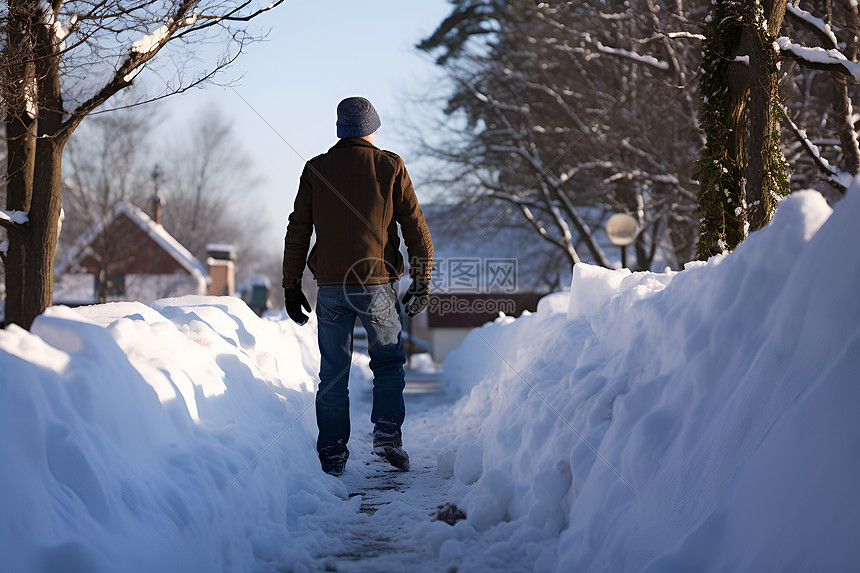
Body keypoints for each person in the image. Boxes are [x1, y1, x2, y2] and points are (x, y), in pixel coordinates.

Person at [282, 96, 434, 477]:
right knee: (387, 362)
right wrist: (422, 278)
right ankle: (386, 437)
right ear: (371, 129)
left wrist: (290, 285)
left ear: (340, 130)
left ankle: (332, 453)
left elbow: (298, 229)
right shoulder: (390, 166)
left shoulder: (316, 169)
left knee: (333, 371)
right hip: (377, 283)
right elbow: (415, 226)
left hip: (331, 286)